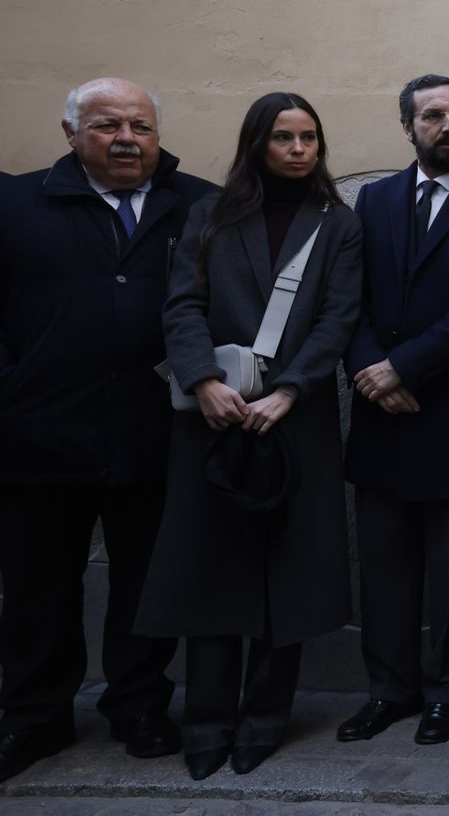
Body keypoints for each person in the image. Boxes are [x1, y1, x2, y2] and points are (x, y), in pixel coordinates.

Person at [134, 93, 363, 780]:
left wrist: (290, 390)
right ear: (257, 143)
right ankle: (206, 720)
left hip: (298, 419)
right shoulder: (210, 214)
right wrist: (203, 381)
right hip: (213, 418)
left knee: (286, 572)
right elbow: (182, 304)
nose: (298, 150)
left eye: (309, 138)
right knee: (210, 567)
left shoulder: (337, 224)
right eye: (284, 137)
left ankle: (264, 718)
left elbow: (338, 317)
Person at [0, 78, 215, 783]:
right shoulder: (16, 204)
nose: (127, 139)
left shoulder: (200, 204)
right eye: (107, 125)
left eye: (140, 126)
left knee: (146, 582)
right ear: (70, 134)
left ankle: (139, 707)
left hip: (156, 434)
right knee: (37, 586)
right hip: (39, 436)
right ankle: (35, 715)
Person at [337, 75, 449, 746]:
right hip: (379, 411)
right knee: (383, 566)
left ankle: (445, 694)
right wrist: (369, 372)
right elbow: (348, 296)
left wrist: (404, 367)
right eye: (433, 115)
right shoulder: (375, 200)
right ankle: (389, 690)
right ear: (407, 126)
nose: (448, 126)